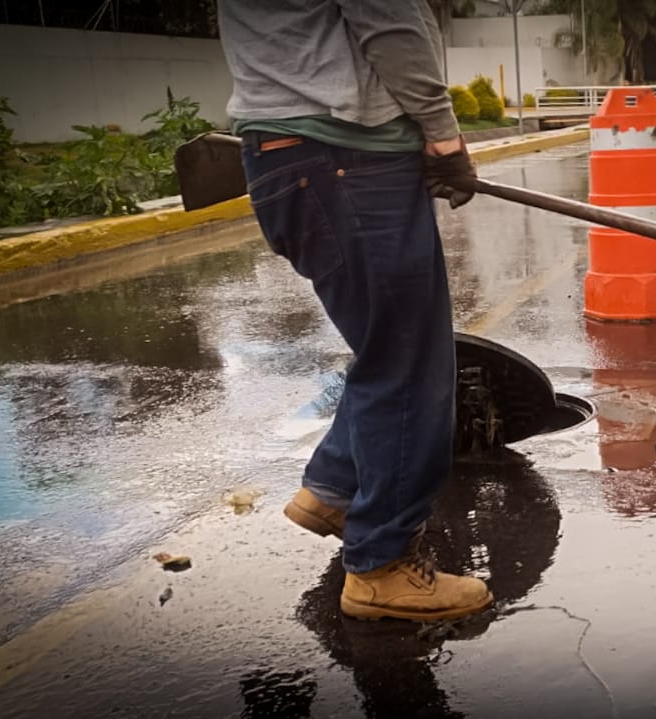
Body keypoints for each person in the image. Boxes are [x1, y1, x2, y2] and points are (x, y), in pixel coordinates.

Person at [218, 1, 491, 622]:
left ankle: (335, 490)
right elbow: (388, 19)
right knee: (409, 366)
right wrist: (443, 134)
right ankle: (381, 568)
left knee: (396, 351)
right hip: (346, 156)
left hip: (303, 155)